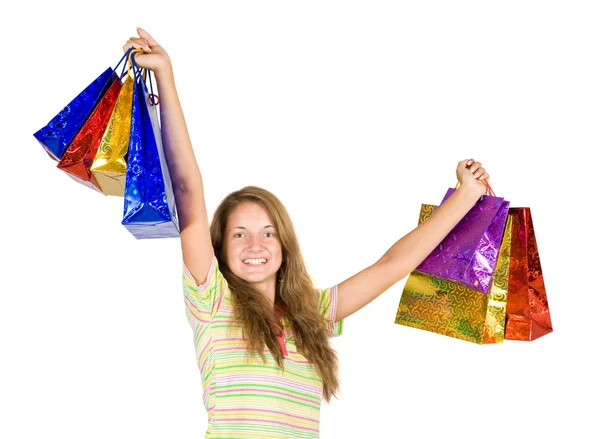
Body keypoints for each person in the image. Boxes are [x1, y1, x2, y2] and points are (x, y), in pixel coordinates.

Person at [123, 27, 491, 439]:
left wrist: (464, 197)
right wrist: (166, 78)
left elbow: (394, 264)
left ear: (284, 246)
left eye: (267, 233)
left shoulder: (312, 315)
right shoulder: (212, 301)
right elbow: (188, 188)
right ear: (221, 250)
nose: (255, 245)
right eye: (239, 235)